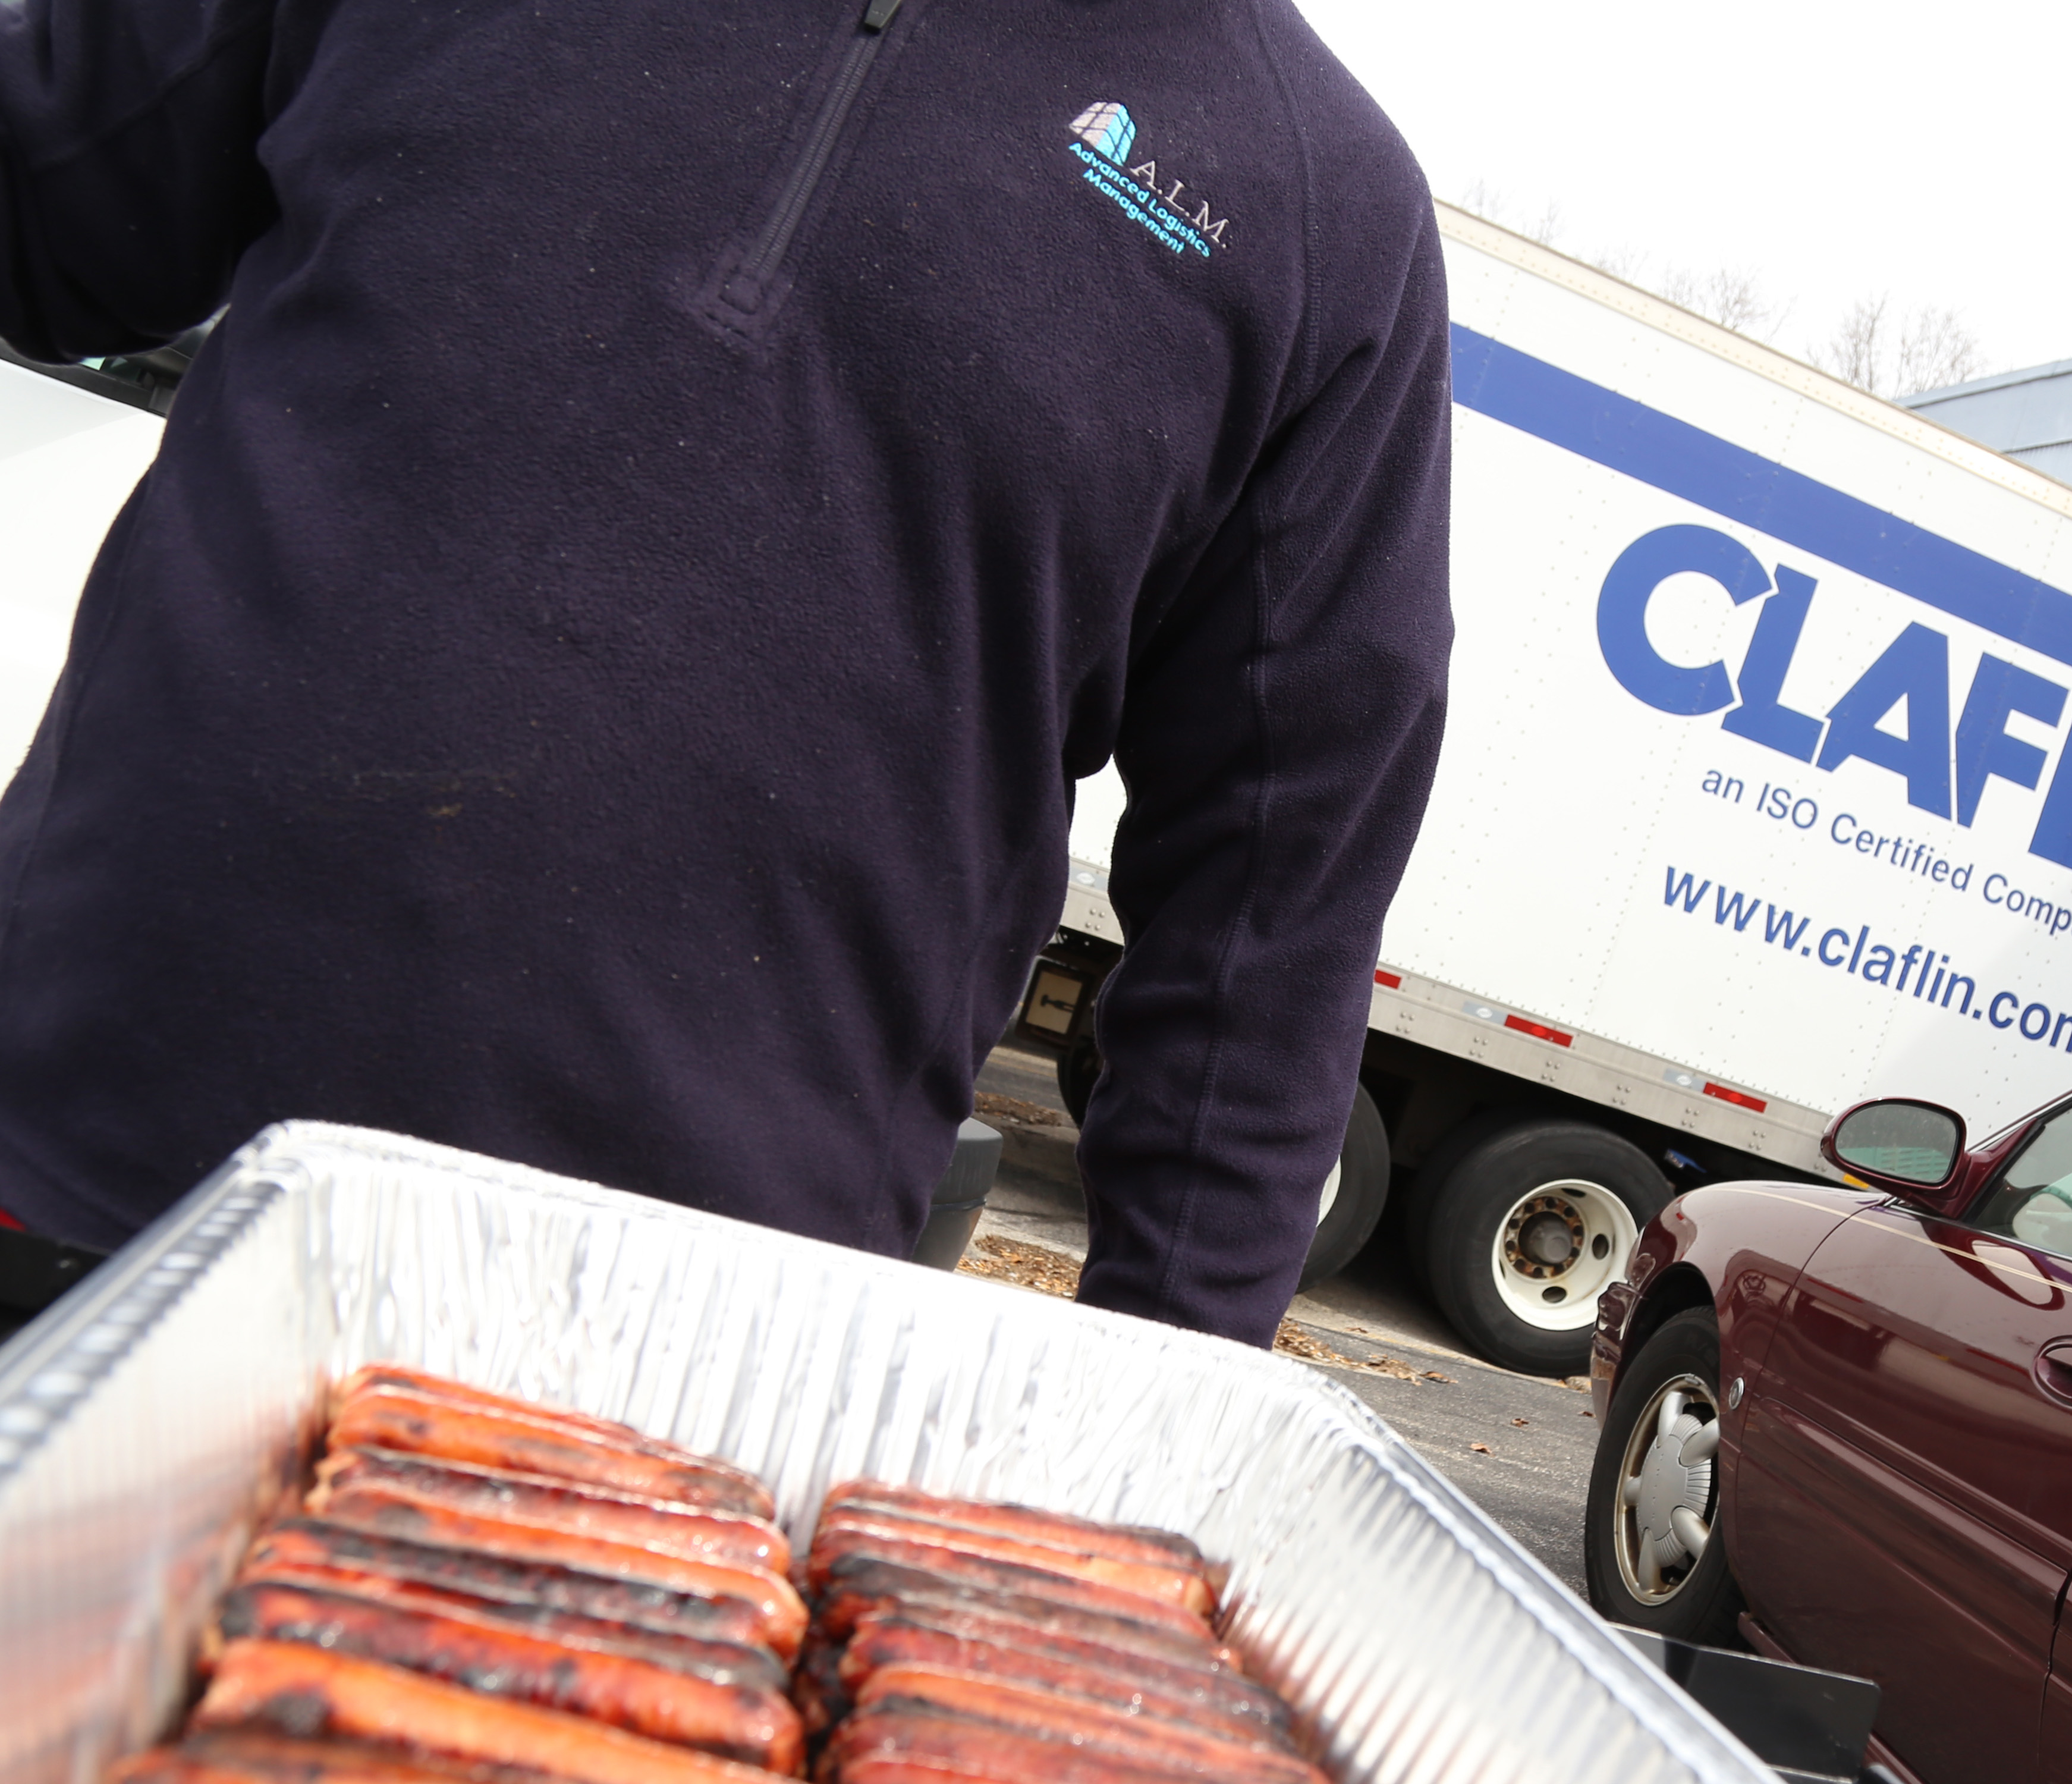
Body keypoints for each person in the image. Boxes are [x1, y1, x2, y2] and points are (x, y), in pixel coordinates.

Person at [0, 0, 1452, 1347]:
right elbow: (55, 203)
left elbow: (1274, 922)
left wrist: (1137, 1464)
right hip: (62, 1165)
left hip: (674, 1378)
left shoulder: (1322, 216)